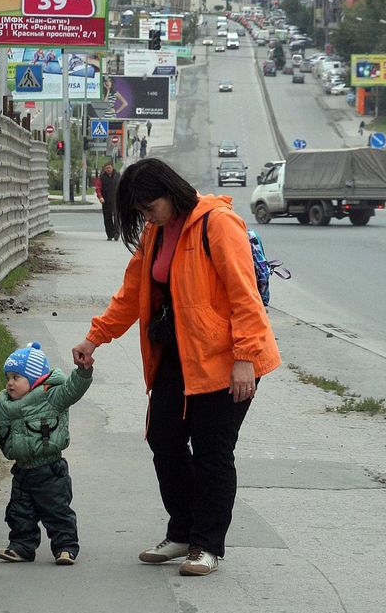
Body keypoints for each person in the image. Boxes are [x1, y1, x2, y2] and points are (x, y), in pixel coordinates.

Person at [72, 158, 280, 577]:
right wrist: (94, 337)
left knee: (212, 454)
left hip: (227, 360)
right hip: (177, 357)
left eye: (149, 207)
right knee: (163, 440)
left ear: (170, 192)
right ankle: (182, 532)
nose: (145, 216)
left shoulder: (218, 224)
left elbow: (245, 297)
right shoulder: (155, 233)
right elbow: (132, 294)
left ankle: (207, 545)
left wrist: (244, 358)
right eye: (140, 212)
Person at [0, 341, 93, 566]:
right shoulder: (5, 404)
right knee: (20, 513)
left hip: (50, 470)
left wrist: (83, 370)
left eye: (16, 377)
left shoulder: (52, 398)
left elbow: (74, 388)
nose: (10, 383)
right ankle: (21, 547)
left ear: (34, 380)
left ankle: (65, 547)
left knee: (57, 512)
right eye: (8, 377)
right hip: (22, 470)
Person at [95, 161, 120, 240]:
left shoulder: (118, 175)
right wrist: (100, 197)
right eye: (106, 168)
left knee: (116, 217)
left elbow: (123, 185)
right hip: (105, 200)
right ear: (104, 169)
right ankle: (110, 234)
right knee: (107, 218)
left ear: (112, 168)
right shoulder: (102, 177)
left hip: (116, 199)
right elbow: (98, 188)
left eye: (109, 167)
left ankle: (116, 233)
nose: (108, 169)